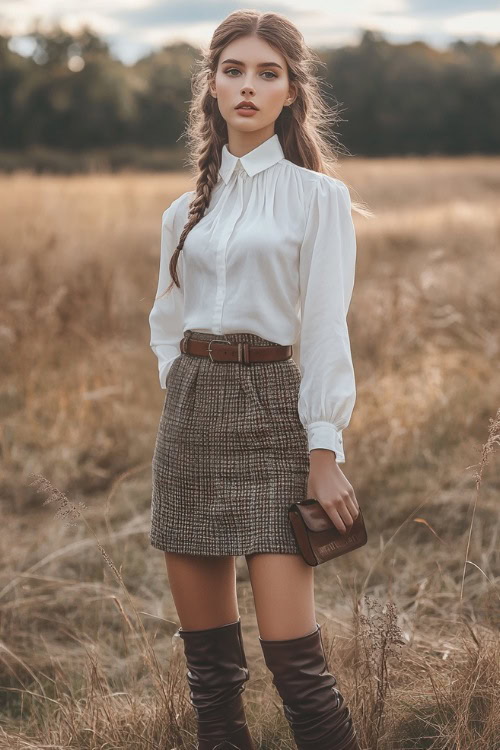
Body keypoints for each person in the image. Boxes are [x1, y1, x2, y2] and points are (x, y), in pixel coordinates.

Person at [148, 9, 366, 750]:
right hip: (191, 419)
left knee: (297, 668)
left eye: (266, 73)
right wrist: (181, 381)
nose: (248, 86)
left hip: (276, 413)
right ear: (211, 86)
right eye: (233, 70)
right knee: (211, 678)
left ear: (289, 92)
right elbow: (163, 319)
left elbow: (326, 329)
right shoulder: (183, 211)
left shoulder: (318, 198)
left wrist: (325, 450)